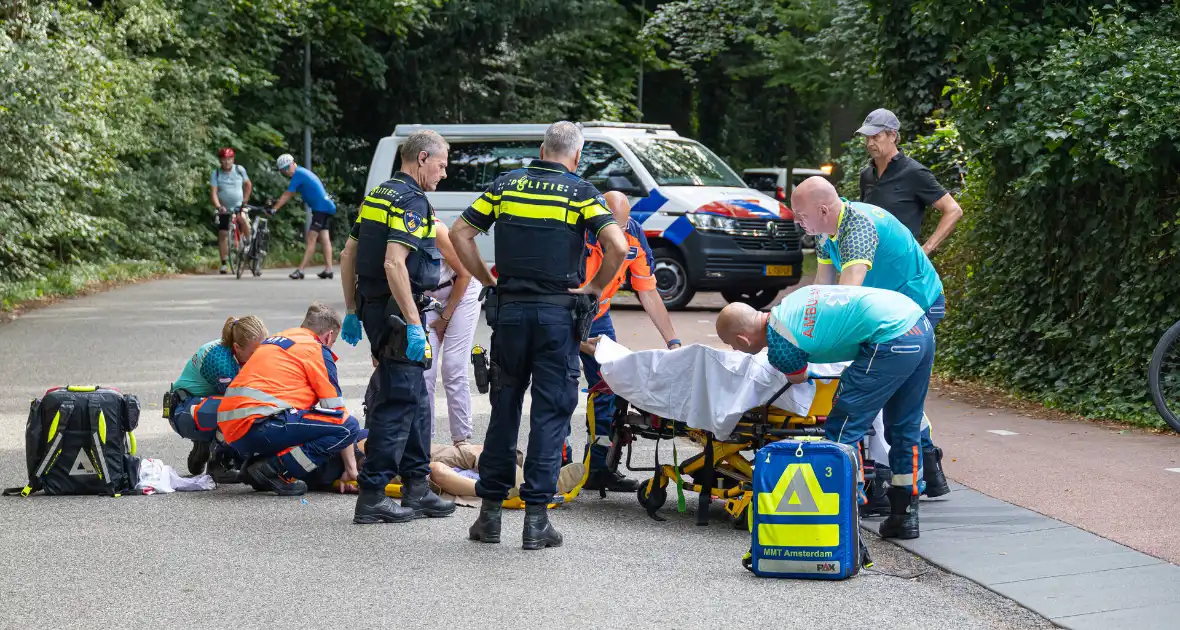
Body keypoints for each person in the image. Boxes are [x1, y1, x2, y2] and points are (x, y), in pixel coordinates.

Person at [450, 120, 627, 550]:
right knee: (550, 415)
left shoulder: (506, 186)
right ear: (577, 156)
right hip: (556, 319)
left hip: (508, 313)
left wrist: (486, 279)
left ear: (543, 148)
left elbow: (459, 232)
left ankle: (489, 518)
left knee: (504, 409)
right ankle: (535, 522)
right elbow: (618, 247)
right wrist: (593, 288)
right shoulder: (582, 192)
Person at [716, 285, 934, 540]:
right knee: (904, 425)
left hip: (889, 339)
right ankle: (905, 515)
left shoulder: (780, 347)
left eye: (731, 344)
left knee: (843, 427)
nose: (734, 350)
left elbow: (799, 377)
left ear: (743, 339)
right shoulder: (790, 303)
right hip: (919, 325)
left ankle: (845, 514)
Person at [791, 176, 951, 499]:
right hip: (891, 306)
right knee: (896, 390)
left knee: (891, 384)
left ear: (822, 209)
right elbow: (822, 292)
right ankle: (930, 469)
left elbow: (848, 300)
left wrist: (811, 347)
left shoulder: (858, 229)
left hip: (918, 301)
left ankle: (918, 477)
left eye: (800, 215)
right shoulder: (826, 231)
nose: (797, 222)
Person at [338, 129, 457, 524]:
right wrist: (413, 325)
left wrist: (353, 309)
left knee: (418, 398)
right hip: (396, 314)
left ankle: (417, 488)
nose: (443, 173)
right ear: (422, 159)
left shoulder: (378, 194)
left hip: (376, 308)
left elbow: (349, 252)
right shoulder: (411, 200)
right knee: (398, 400)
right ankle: (372, 495)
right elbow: (393, 263)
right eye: (441, 165)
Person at [570, 191, 681, 492]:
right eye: (611, 227)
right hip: (564, 311)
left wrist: (673, 342)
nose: (617, 235)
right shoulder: (575, 231)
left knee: (609, 387)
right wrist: (575, 339)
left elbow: (647, 290)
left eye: (622, 226)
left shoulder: (632, 234)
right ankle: (559, 468)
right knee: (561, 389)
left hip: (599, 312)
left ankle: (598, 469)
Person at [216, 302, 361, 496]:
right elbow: (338, 413)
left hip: (231, 429)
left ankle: (255, 469)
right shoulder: (316, 349)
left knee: (304, 423)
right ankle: (274, 469)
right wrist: (351, 469)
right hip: (260, 423)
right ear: (328, 336)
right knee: (348, 427)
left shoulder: (277, 339)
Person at [168, 315, 268, 482]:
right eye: (254, 353)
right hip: (183, 410)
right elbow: (241, 400)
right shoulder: (220, 361)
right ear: (237, 347)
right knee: (239, 409)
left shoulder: (242, 348)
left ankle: (206, 445)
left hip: (204, 404)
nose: (260, 357)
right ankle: (219, 464)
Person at [855, 108, 964, 255]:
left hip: (903, 266)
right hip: (869, 264)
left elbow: (953, 210)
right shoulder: (866, 175)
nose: (869, 143)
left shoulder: (914, 172)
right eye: (867, 138)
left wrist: (925, 250)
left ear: (892, 135)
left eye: (875, 137)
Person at [423, 216, 482, 446]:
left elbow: (465, 274)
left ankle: (461, 439)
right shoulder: (391, 237)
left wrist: (445, 318)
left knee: (453, 366)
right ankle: (424, 440)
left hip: (462, 289)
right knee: (424, 370)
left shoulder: (436, 230)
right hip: (428, 299)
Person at [271, 153, 337, 280]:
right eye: (282, 171)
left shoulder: (298, 174)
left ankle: (301, 270)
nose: (285, 172)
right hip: (324, 207)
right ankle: (328, 270)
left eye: (286, 168)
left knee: (311, 238)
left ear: (292, 164)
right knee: (324, 238)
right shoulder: (301, 172)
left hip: (321, 208)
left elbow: (288, 194)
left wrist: (275, 209)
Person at [210, 148, 253, 274]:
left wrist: (245, 201)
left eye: (229, 159)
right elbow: (213, 193)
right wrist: (218, 206)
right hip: (224, 208)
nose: (226, 162)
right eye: (224, 160)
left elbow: (248, 185)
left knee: (243, 220)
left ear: (233, 159)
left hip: (239, 205)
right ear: (220, 160)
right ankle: (224, 264)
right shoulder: (216, 173)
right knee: (223, 234)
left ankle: (247, 243)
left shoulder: (239, 170)